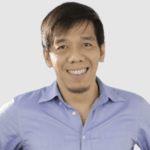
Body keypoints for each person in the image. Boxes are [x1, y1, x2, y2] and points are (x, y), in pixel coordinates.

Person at [0, 2, 150, 150]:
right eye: (62, 47)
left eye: (86, 44)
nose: (75, 57)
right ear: (47, 57)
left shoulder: (136, 108)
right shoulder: (19, 112)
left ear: (102, 51)